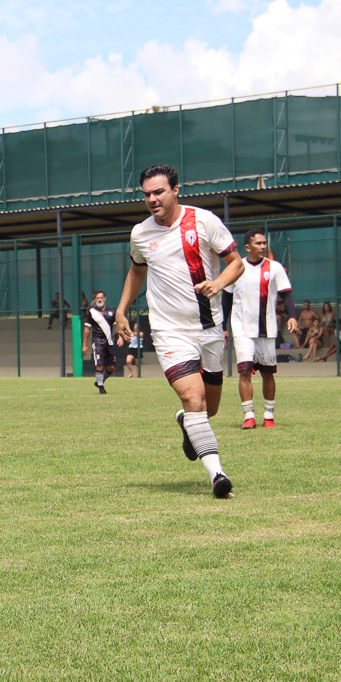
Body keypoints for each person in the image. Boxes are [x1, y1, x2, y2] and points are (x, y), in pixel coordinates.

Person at [114, 164, 244, 499]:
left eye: (159, 192)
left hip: (209, 328)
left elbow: (236, 263)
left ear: (175, 190)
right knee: (193, 397)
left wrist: (218, 283)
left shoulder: (204, 221)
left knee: (209, 409)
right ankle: (218, 476)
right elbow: (137, 271)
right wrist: (121, 310)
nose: (152, 199)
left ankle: (188, 423)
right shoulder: (140, 233)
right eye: (147, 194)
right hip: (169, 330)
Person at [222, 229, 297, 430]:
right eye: (258, 243)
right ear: (247, 247)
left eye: (264, 243)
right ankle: (249, 416)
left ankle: (269, 416)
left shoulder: (275, 268)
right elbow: (226, 299)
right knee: (244, 371)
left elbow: (286, 294)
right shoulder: (236, 267)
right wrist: (223, 327)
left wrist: (292, 316)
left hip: (267, 329)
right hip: (241, 328)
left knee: (267, 373)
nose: (263, 246)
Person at [81, 290, 122, 394]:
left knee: (112, 367)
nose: (99, 300)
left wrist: (120, 337)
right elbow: (87, 328)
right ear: (94, 300)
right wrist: (84, 344)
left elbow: (117, 326)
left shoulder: (112, 311)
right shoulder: (92, 312)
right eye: (97, 298)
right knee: (100, 365)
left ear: (105, 298)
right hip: (98, 342)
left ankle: (100, 381)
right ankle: (101, 388)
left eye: (101, 298)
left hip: (109, 342)